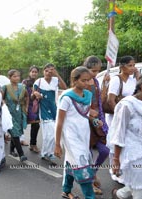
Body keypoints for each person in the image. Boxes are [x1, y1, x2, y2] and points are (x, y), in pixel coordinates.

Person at [110, 70, 142, 199]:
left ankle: (119, 194)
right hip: (131, 153)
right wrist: (116, 160)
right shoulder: (127, 105)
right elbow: (118, 134)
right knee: (141, 190)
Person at [54, 66, 95, 199]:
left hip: (84, 135)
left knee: (72, 162)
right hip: (71, 137)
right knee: (82, 165)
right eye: (84, 80)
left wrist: (94, 121)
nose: (88, 83)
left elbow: (85, 114)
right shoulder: (66, 98)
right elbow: (59, 122)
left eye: (89, 80)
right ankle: (90, 196)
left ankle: (66, 190)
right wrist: (57, 144)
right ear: (74, 80)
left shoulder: (88, 95)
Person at [105, 55, 138, 182]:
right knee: (115, 142)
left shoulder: (132, 79)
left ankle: (123, 169)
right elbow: (110, 100)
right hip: (115, 116)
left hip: (128, 115)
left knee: (125, 142)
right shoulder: (116, 80)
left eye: (134, 65)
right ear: (121, 67)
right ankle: (114, 169)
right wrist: (119, 115)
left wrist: (137, 76)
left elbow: (137, 94)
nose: (133, 68)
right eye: (130, 65)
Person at [84, 56, 109, 195]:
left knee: (104, 151)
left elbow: (101, 100)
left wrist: (105, 84)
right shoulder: (81, 84)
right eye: (93, 70)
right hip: (86, 123)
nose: (95, 73)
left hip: (98, 122)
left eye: (97, 70)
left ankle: (93, 173)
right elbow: (80, 106)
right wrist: (90, 114)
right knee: (87, 156)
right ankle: (90, 182)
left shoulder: (96, 82)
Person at [33, 63, 67, 164]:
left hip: (54, 108)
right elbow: (32, 94)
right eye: (47, 70)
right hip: (43, 109)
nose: (49, 72)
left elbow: (65, 88)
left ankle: (45, 153)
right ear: (43, 71)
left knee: (51, 134)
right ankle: (49, 154)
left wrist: (57, 75)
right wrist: (36, 93)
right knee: (50, 133)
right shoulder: (38, 81)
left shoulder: (56, 80)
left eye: (51, 70)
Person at [2, 69, 29, 162]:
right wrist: (4, 105)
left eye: (18, 76)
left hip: (19, 112)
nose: (17, 78)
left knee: (17, 132)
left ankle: (11, 150)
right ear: (9, 77)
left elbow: (26, 96)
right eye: (14, 76)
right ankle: (21, 154)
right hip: (9, 114)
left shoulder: (22, 87)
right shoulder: (5, 87)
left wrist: (26, 106)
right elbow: (0, 98)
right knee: (14, 132)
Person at [22, 66, 41, 153]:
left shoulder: (39, 82)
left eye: (36, 72)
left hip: (36, 106)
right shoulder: (25, 82)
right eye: (32, 71)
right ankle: (15, 145)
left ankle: (33, 144)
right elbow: (22, 95)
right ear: (29, 72)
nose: (34, 73)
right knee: (20, 124)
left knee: (36, 125)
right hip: (27, 105)